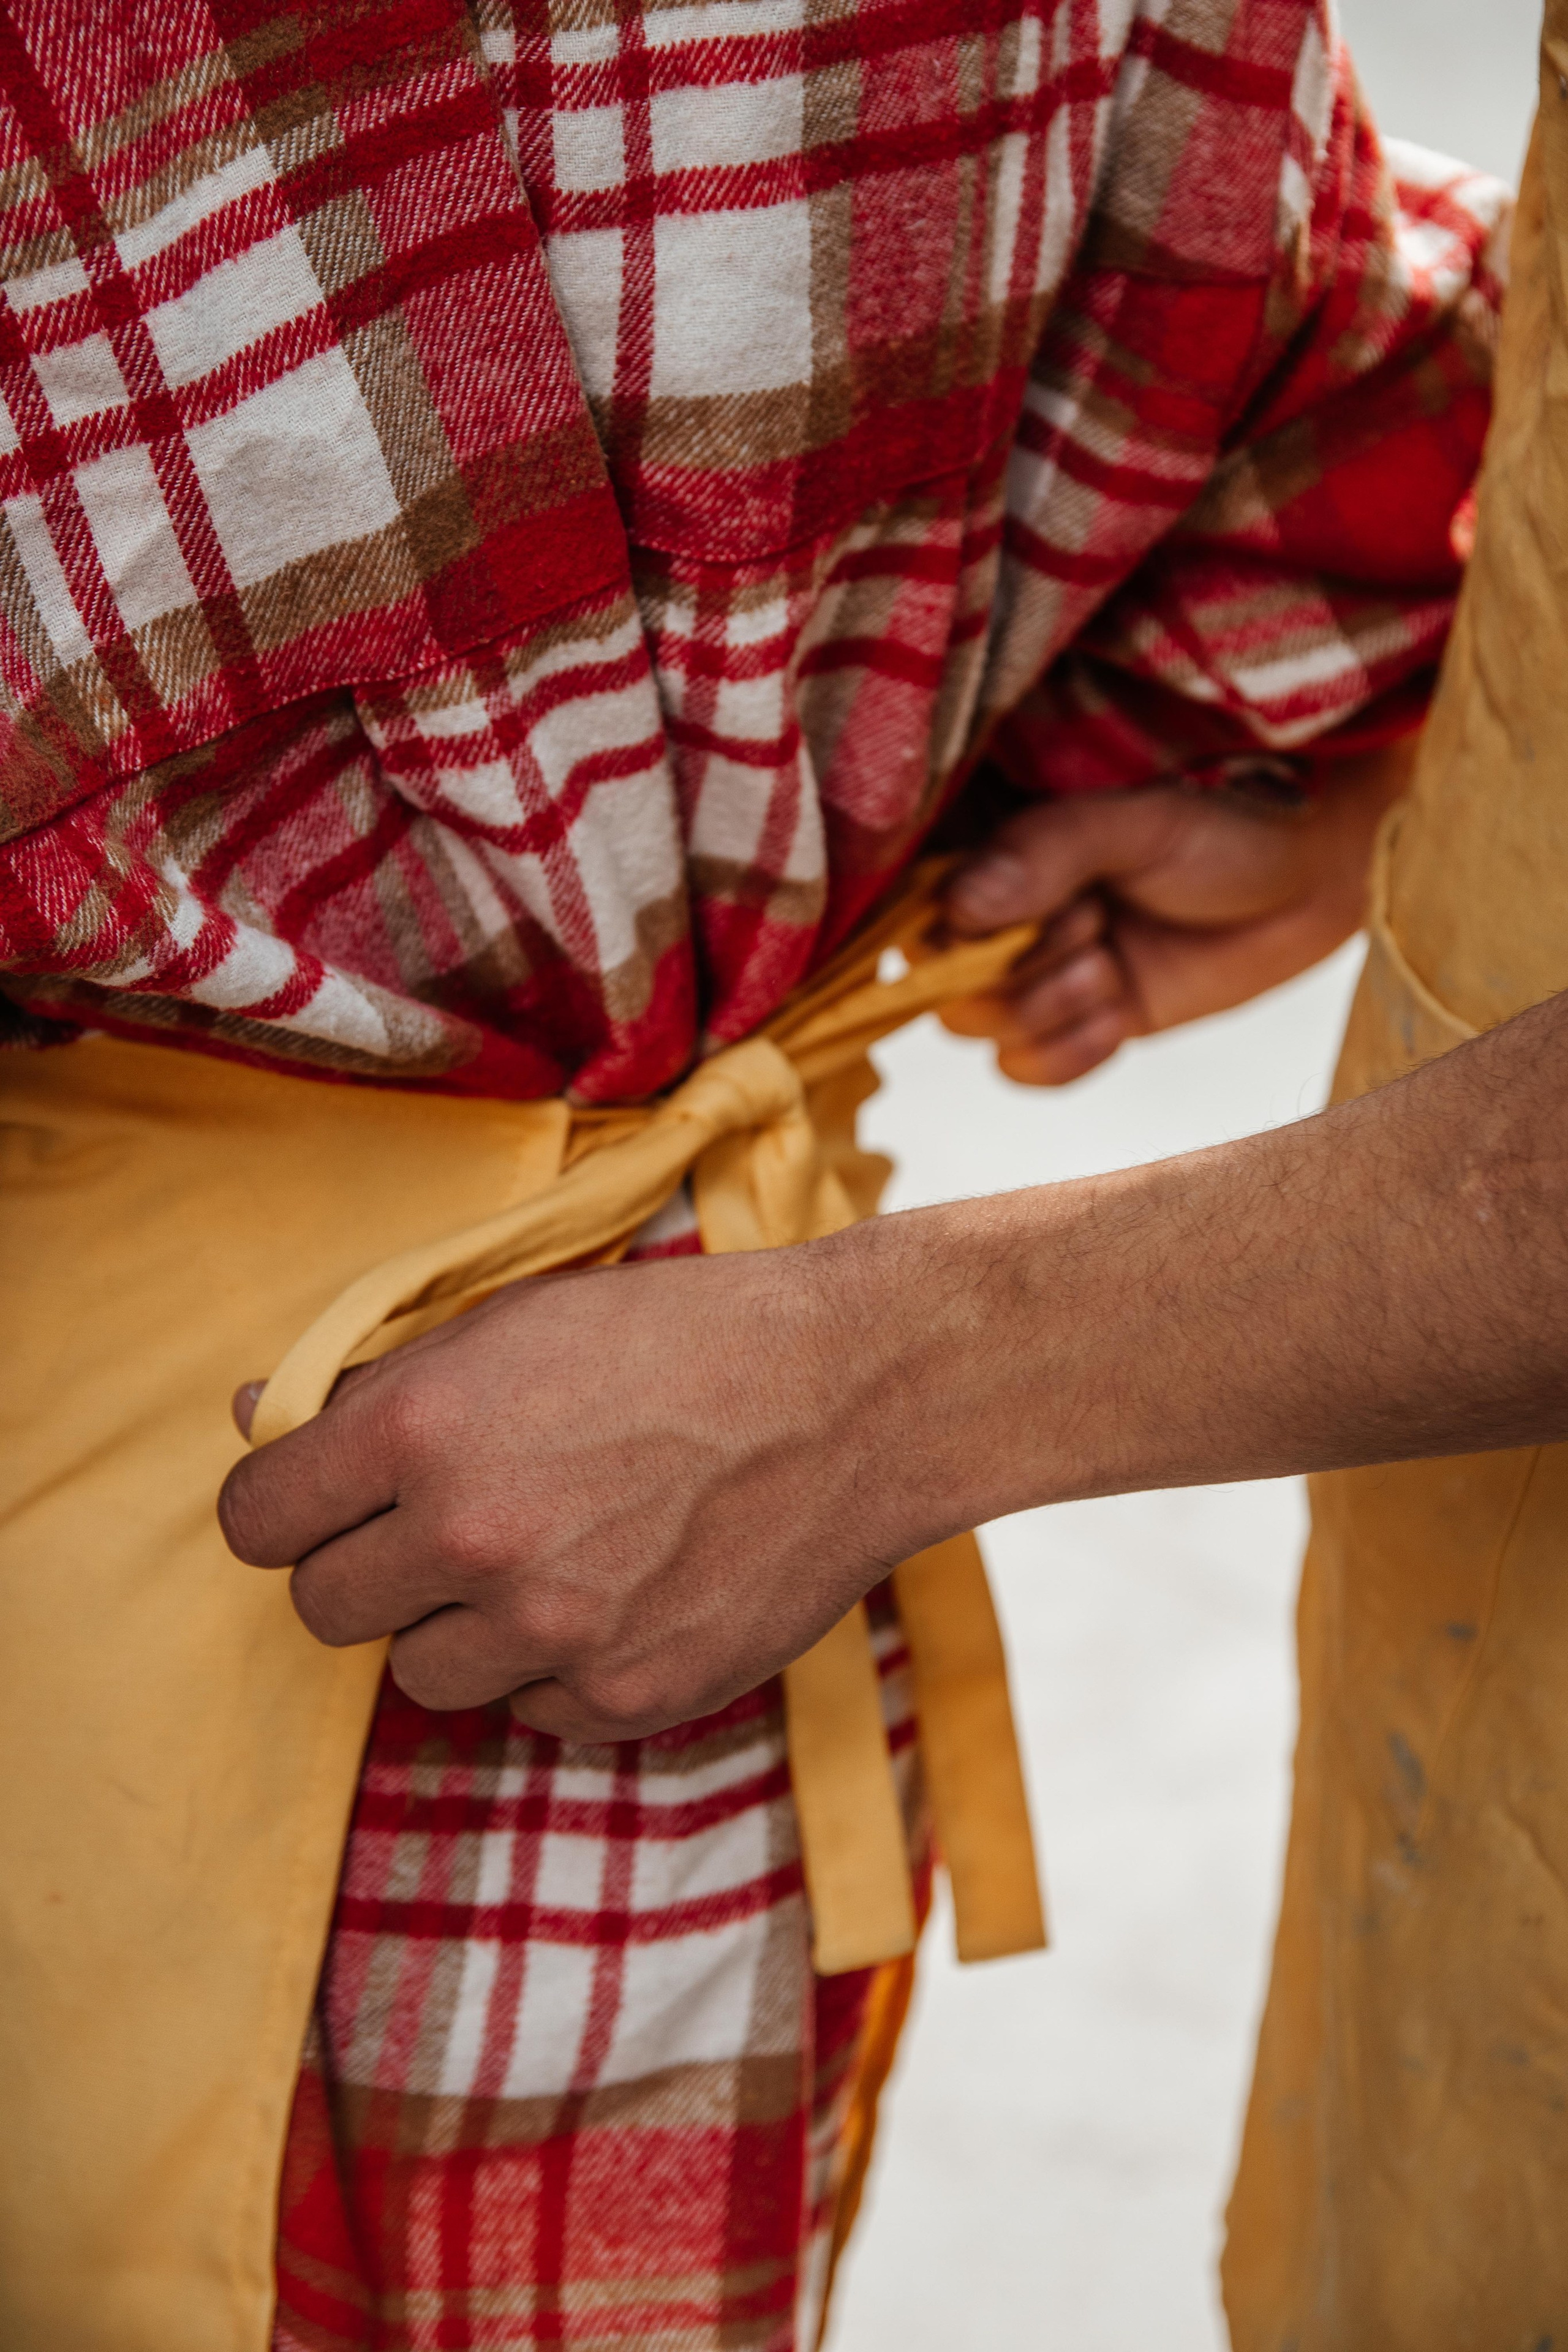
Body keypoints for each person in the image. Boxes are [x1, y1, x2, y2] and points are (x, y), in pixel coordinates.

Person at [0, 0, 1508, 2343]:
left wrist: (910, 1366)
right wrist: (1180, 770)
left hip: (487, 1511)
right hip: (632, 1690)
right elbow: (1353, 382)